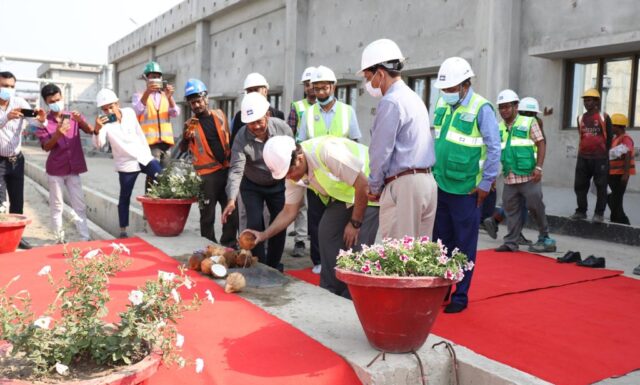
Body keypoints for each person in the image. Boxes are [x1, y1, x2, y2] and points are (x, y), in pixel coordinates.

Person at [245, 135, 379, 298]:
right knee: (326, 233)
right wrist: (263, 235)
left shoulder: (326, 152)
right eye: (285, 175)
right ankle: (331, 290)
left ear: (299, 157)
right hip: (344, 196)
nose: (289, 177)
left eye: (289, 172)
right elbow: (289, 211)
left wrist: (355, 223)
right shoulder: (292, 171)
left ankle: (353, 296)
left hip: (372, 193)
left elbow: (363, 184)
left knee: (358, 244)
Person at [431, 57, 501, 313]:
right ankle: (441, 290)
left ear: (465, 84)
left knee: (463, 246)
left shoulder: (482, 108)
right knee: (441, 243)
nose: (446, 93)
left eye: (451, 89)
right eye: (444, 89)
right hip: (441, 185)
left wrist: (486, 183)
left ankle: (460, 296)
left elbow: (494, 148)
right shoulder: (442, 104)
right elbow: (435, 139)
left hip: (467, 190)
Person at [358, 38, 437, 240]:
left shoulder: (391, 102)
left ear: (381, 73)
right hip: (426, 182)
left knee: (398, 256)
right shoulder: (413, 97)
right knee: (419, 257)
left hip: (404, 186)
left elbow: (380, 152)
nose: (369, 84)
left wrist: (374, 187)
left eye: (369, 77)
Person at [298, 65, 362, 274]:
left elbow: (355, 142)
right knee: (316, 221)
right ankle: (319, 260)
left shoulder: (347, 111)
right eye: (316, 89)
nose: (320, 93)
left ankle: (343, 259)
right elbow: (301, 144)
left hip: (344, 177)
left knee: (342, 221)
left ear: (333, 87)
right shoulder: (308, 114)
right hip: (317, 178)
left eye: (324, 88)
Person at [222, 93, 293, 271]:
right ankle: (260, 265)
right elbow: (236, 169)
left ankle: (274, 265)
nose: (256, 126)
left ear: (267, 115)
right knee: (254, 223)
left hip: (277, 184)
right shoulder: (241, 137)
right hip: (252, 185)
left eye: (259, 121)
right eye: (251, 123)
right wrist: (231, 199)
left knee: (279, 224)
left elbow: (292, 158)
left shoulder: (283, 129)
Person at [92, 88, 162, 238]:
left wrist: (147, 153)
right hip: (126, 163)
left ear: (117, 103)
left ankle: (155, 216)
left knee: (162, 178)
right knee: (125, 196)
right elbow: (99, 144)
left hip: (143, 156)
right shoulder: (104, 124)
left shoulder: (129, 112)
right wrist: (97, 130)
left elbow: (138, 131)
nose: (109, 111)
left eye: (111, 106)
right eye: (105, 109)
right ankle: (123, 230)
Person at [493, 89, 555, 253]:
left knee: (536, 207)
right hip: (509, 177)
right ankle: (511, 242)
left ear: (516, 106)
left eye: (507, 107)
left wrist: (539, 167)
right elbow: (495, 151)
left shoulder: (529, 122)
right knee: (511, 210)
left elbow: (541, 143)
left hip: (529, 176)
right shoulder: (498, 127)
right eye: (501, 108)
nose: (504, 111)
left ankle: (544, 236)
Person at [180, 79, 238, 246]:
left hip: (225, 170)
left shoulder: (220, 115)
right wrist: (185, 138)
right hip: (206, 177)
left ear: (206, 99)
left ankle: (228, 242)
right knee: (207, 214)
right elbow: (183, 149)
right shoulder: (189, 125)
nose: (196, 105)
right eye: (193, 103)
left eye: (198, 101)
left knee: (231, 210)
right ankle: (209, 244)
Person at [36, 83, 93, 243]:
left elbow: (90, 131)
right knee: (57, 206)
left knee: (79, 205)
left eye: (58, 99)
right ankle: (59, 239)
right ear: (46, 103)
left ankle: (84, 238)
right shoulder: (43, 122)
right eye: (52, 101)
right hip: (56, 170)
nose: (56, 102)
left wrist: (80, 120)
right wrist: (57, 134)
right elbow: (46, 147)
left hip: (73, 168)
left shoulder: (73, 116)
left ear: (62, 97)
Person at [0, 71, 47, 249]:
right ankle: (2, 238)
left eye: (11, 86)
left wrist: (41, 120)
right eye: (4, 85)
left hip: (16, 160)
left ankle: (17, 237)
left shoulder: (19, 102)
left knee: (17, 200)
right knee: (0, 202)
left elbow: (34, 121)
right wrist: (7, 117)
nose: (8, 89)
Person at [132, 61, 180, 187]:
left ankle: (162, 202)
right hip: (150, 144)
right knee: (153, 176)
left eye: (157, 76)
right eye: (152, 76)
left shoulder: (166, 95)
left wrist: (170, 98)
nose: (155, 79)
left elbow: (175, 113)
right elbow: (137, 110)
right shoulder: (140, 96)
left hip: (166, 144)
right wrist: (147, 92)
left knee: (165, 176)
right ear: (146, 79)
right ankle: (150, 202)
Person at [285, 66, 316, 260]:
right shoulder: (298, 106)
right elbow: (290, 132)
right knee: (301, 202)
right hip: (301, 160)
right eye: (306, 85)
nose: (310, 88)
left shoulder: (331, 107)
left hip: (321, 161)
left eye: (312, 84)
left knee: (319, 203)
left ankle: (316, 237)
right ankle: (300, 240)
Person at [571, 88, 612, 223]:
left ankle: (599, 214)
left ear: (597, 102)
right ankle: (581, 211)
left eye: (589, 100)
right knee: (580, 185)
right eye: (585, 100)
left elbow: (609, 138)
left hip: (600, 158)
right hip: (583, 157)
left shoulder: (604, 117)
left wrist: (604, 155)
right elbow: (582, 136)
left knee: (601, 186)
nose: (587, 103)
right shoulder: (580, 118)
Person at [230, 73, 284, 145]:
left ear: (265, 91)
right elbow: (234, 145)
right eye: (249, 91)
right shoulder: (240, 116)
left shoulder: (278, 115)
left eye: (256, 90)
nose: (252, 94)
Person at [607, 113, 635, 225]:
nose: (610, 128)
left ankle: (624, 223)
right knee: (610, 199)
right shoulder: (615, 139)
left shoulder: (626, 138)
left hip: (620, 175)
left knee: (616, 200)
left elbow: (627, 153)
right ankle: (616, 221)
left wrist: (626, 174)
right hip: (612, 173)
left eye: (612, 126)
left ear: (618, 126)